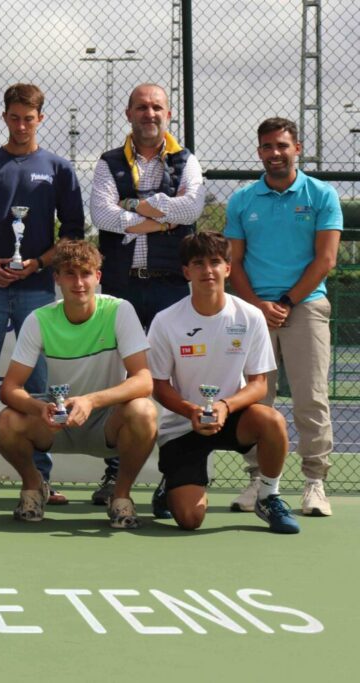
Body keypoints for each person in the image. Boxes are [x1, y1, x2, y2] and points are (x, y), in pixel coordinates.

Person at [0, 82, 85, 503]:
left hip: (37, 291)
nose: (22, 125)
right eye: (15, 117)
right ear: (5, 117)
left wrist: (39, 263)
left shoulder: (59, 169)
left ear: (41, 119)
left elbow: (74, 235)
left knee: (40, 387)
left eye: (29, 118)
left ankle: (40, 479)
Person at [88, 83, 205, 506]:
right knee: (123, 380)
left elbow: (191, 209)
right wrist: (159, 214)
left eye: (157, 107)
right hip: (122, 286)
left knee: (173, 382)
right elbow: (102, 214)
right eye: (141, 107)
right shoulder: (108, 162)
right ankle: (115, 472)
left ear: (167, 114)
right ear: (128, 112)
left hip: (171, 285)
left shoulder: (186, 160)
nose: (149, 113)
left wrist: (133, 207)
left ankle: (170, 474)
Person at [0, 241, 155, 529]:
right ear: (56, 278)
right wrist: (39, 408)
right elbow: (10, 389)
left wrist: (91, 401)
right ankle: (34, 486)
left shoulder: (120, 311)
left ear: (98, 277)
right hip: (57, 423)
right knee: (7, 422)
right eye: (69, 273)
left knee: (143, 411)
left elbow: (143, 380)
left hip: (107, 422)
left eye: (85, 273)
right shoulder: (39, 319)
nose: (78, 282)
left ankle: (120, 496)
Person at [225, 117, 342, 517]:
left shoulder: (322, 194)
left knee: (311, 398)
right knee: (258, 402)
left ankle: (315, 483)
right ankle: (259, 480)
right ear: (259, 152)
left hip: (306, 307)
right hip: (254, 312)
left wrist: (288, 302)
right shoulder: (242, 200)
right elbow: (233, 262)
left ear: (297, 148)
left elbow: (325, 259)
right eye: (267, 147)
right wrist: (258, 306)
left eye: (282, 146)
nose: (275, 153)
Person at [147, 232, 300, 534]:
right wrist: (191, 410)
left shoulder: (251, 316)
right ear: (186, 272)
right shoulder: (166, 321)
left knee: (272, 421)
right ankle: (170, 485)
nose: (208, 271)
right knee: (190, 520)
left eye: (215, 262)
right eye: (198, 263)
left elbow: (259, 384)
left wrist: (224, 406)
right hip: (183, 424)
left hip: (233, 417)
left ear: (228, 268)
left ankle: (268, 495)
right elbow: (159, 385)